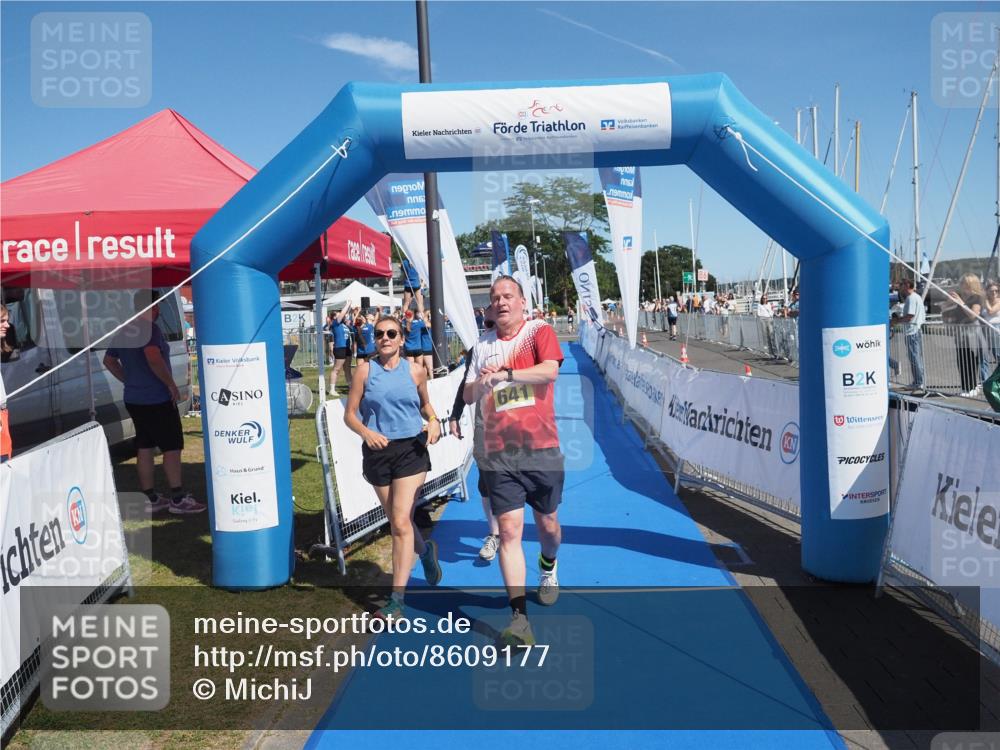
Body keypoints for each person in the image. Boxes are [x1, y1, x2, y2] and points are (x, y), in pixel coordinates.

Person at [463, 275, 564, 646]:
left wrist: (506, 374)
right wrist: (483, 384)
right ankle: (520, 619)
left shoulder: (538, 331)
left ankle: (548, 566)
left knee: (549, 527)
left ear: (522, 301)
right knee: (508, 534)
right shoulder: (481, 345)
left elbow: (550, 370)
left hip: (541, 448)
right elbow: (468, 392)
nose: (502, 302)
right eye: (495, 298)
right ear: (490, 307)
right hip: (498, 453)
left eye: (508, 296)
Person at [343, 315, 442, 619]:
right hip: (378, 451)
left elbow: (425, 405)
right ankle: (425, 551)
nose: (385, 338)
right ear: (374, 339)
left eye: (391, 333)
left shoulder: (416, 371)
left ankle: (396, 601)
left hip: (411, 450)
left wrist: (434, 422)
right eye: (379, 333)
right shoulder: (364, 371)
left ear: (402, 339)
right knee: (398, 520)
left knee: (400, 521)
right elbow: (350, 415)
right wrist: (367, 432)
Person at [103, 290, 204, 514]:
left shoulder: (124, 330)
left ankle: (149, 497)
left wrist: (127, 379)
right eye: (157, 307)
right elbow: (152, 356)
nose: (158, 311)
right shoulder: (150, 329)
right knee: (171, 446)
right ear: (151, 307)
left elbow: (109, 360)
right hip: (156, 398)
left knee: (144, 446)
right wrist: (170, 384)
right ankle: (178, 498)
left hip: (134, 398)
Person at [449, 306, 500, 561]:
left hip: (520, 428)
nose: (491, 329)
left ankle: (510, 532)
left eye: (495, 323)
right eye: (487, 324)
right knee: (486, 482)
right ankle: (495, 534)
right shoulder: (479, 348)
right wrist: (455, 414)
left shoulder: (524, 343)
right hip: (486, 425)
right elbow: (464, 386)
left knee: (516, 484)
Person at [944, 273, 985, 397]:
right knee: (961, 360)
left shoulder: (976, 297)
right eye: (961, 283)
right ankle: (965, 386)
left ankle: (972, 387)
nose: (961, 285)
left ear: (970, 284)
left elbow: (973, 315)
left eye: (964, 283)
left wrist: (961, 302)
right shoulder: (961, 297)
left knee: (971, 359)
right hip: (960, 333)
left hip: (971, 332)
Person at [893, 279, 926, 391]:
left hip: (912, 331)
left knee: (914, 357)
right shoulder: (916, 297)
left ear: (907, 286)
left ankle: (918, 382)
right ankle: (919, 381)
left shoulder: (911, 298)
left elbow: (910, 316)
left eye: (901, 285)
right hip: (916, 330)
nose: (899, 287)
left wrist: (896, 321)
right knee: (916, 357)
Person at [327, 303, 354, 395]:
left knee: (347, 369)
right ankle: (332, 389)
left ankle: (352, 388)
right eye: (338, 313)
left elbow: (346, 315)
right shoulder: (335, 323)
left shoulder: (344, 325)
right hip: (340, 348)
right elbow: (343, 313)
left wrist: (350, 307)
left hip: (347, 348)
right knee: (337, 369)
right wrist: (348, 304)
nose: (340, 314)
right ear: (334, 317)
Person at [979, 281, 1000, 385]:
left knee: (997, 355)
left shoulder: (999, 301)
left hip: (996, 329)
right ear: (987, 291)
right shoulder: (983, 302)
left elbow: (991, 311)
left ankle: (997, 379)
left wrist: (985, 300)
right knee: (983, 356)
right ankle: (985, 380)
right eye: (992, 291)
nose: (994, 293)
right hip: (985, 329)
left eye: (996, 291)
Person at [420, 310, 434, 380]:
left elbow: (429, 325)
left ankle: (425, 382)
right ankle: (432, 381)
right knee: (429, 367)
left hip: (431, 347)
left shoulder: (431, 323)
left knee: (426, 367)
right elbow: (427, 325)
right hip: (426, 348)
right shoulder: (422, 323)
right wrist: (425, 316)